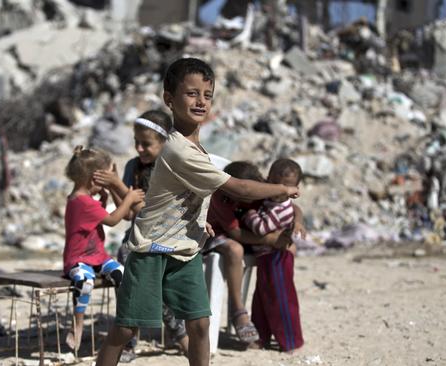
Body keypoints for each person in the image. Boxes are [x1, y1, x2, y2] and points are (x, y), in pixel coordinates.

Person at [95, 57, 299, 366]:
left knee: (201, 324)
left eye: (207, 94)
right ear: (169, 99)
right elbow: (239, 189)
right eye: (191, 93)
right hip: (152, 249)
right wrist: (281, 190)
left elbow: (191, 197)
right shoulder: (178, 149)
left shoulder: (198, 149)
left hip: (186, 250)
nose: (200, 101)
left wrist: (201, 222)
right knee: (125, 328)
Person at [93, 110, 189, 362]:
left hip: (165, 238)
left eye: (146, 144)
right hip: (136, 237)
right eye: (136, 142)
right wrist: (113, 185)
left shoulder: (168, 168)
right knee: (123, 268)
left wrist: (118, 185)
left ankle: (179, 335)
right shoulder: (133, 166)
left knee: (153, 280)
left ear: (164, 142)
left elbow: (144, 209)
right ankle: (129, 340)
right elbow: (126, 213)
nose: (139, 148)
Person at [204, 161, 303, 345]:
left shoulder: (263, 188)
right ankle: (238, 311)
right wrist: (271, 240)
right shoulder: (223, 197)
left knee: (289, 249)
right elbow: (235, 234)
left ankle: (274, 319)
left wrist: (297, 222)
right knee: (235, 249)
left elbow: (291, 206)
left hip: (252, 235)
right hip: (215, 234)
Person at [63, 146, 145, 351]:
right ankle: (78, 325)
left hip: (97, 256)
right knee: (85, 281)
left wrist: (104, 198)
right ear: (94, 180)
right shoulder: (83, 202)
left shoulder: (81, 198)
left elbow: (97, 216)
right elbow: (113, 219)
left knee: (121, 273)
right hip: (78, 259)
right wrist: (129, 199)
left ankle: (124, 323)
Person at [250, 158, 305, 352]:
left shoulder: (282, 209)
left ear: (295, 190)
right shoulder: (268, 200)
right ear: (268, 181)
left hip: (278, 257)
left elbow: (261, 228)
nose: (281, 191)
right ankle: (261, 336)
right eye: (276, 185)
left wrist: (248, 216)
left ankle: (290, 340)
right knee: (262, 298)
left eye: (286, 188)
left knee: (281, 298)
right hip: (266, 257)